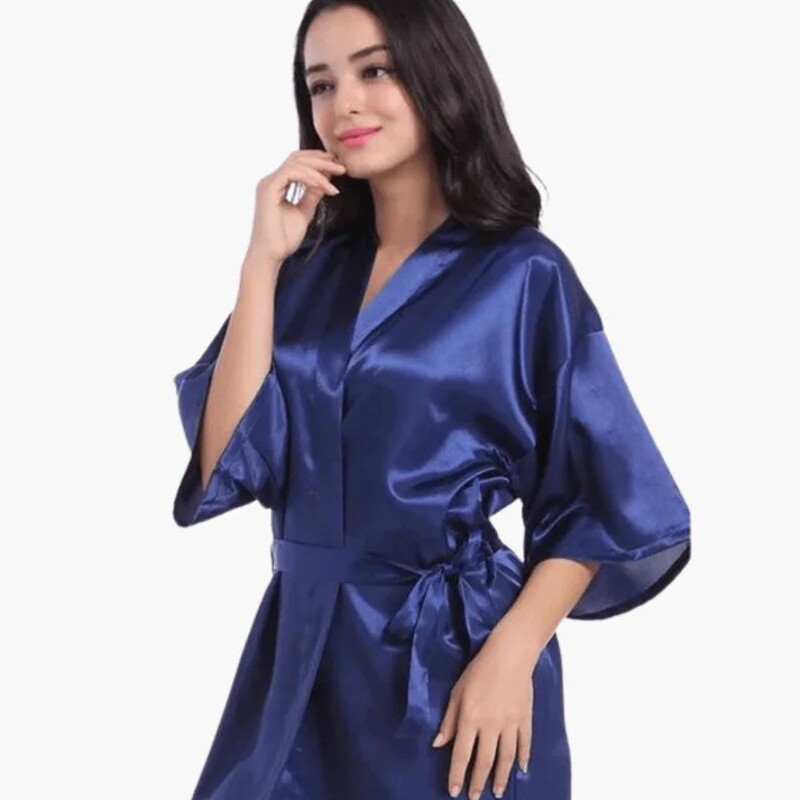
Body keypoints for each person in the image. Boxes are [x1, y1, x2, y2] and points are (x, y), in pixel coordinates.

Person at [171, 1, 692, 798]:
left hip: (453, 662)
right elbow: (225, 460)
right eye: (321, 84)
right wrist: (261, 263)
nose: (344, 104)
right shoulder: (305, 270)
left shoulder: (523, 275)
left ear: (437, 75)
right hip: (299, 653)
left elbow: (599, 495)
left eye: (375, 70)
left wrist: (511, 655)